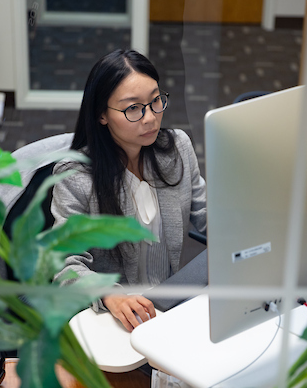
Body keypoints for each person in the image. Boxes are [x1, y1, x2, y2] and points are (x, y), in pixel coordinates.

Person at [51, 49, 207, 332]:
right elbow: (63, 265)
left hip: (167, 306)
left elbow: (208, 214)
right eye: (133, 108)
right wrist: (110, 295)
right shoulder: (76, 177)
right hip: (111, 318)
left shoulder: (178, 149)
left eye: (156, 100)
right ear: (101, 114)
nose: (150, 118)